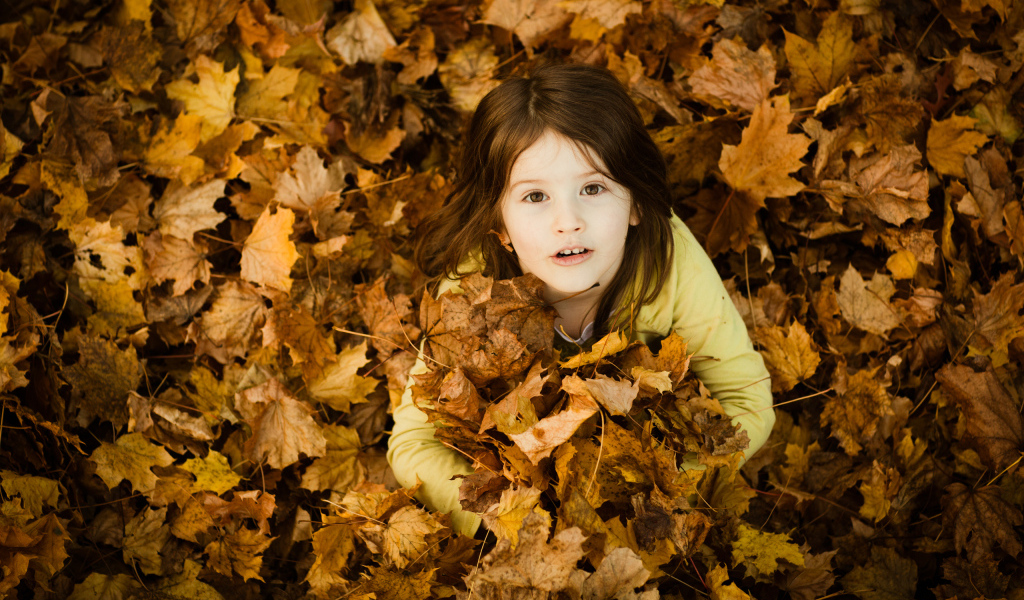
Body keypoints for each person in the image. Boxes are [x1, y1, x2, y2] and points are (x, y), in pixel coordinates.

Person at [386, 62, 774, 537]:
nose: (567, 221)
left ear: (634, 203)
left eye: (592, 188)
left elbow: (747, 401)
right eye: (534, 197)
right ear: (500, 224)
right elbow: (411, 444)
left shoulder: (668, 263)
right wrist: (513, 522)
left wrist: (663, 491)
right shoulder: (474, 291)